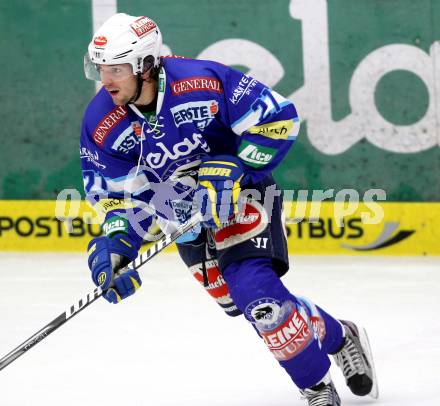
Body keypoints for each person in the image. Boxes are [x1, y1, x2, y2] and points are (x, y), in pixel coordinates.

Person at [80, 13, 378, 405]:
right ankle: (339, 334)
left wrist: (238, 165)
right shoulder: (102, 122)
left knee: (259, 296)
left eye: (116, 68)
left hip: (243, 197)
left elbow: (277, 119)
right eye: (101, 68)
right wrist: (118, 245)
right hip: (181, 221)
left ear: (146, 66)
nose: (106, 80)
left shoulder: (201, 81)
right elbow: (116, 198)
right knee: (245, 305)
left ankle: (316, 389)